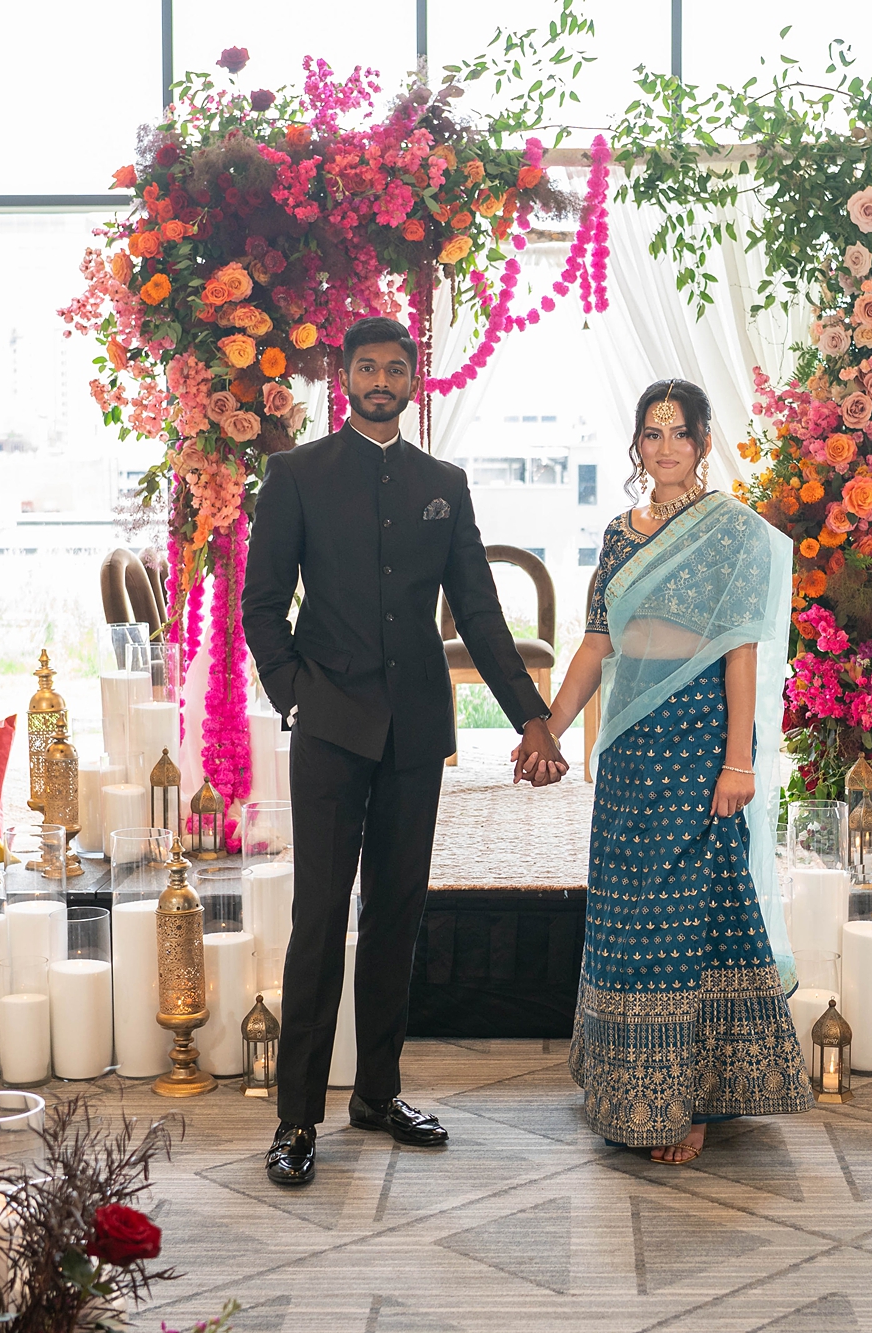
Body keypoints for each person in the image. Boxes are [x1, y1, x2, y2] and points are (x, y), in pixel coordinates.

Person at [241, 315, 570, 1187]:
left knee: (397, 913)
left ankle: (377, 1094)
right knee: (319, 921)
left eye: (395, 367)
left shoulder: (444, 482)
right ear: (343, 377)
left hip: (417, 731)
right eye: (366, 366)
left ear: (414, 381)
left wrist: (531, 716)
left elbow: (481, 609)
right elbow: (261, 603)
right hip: (328, 730)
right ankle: (296, 1116)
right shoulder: (296, 475)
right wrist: (296, 694)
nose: (380, 379)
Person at [539, 378, 810, 1164]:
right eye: (651, 433)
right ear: (637, 444)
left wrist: (738, 760)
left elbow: (739, 651)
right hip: (628, 746)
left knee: (690, 912)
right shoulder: (619, 535)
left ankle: (688, 1100)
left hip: (699, 740)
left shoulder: (728, 533)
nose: (665, 447)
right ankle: (624, 1081)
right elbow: (595, 645)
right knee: (627, 907)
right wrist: (547, 732)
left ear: (703, 440)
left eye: (679, 433)